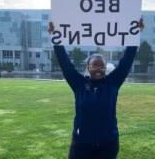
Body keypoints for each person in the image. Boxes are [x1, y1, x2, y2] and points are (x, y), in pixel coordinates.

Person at [49, 20, 144, 159]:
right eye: (95, 65)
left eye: (101, 66)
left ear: (105, 68)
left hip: (108, 144)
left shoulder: (113, 83)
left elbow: (126, 61)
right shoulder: (79, 84)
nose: (98, 69)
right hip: (81, 144)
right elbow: (65, 64)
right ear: (88, 67)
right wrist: (55, 38)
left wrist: (136, 35)